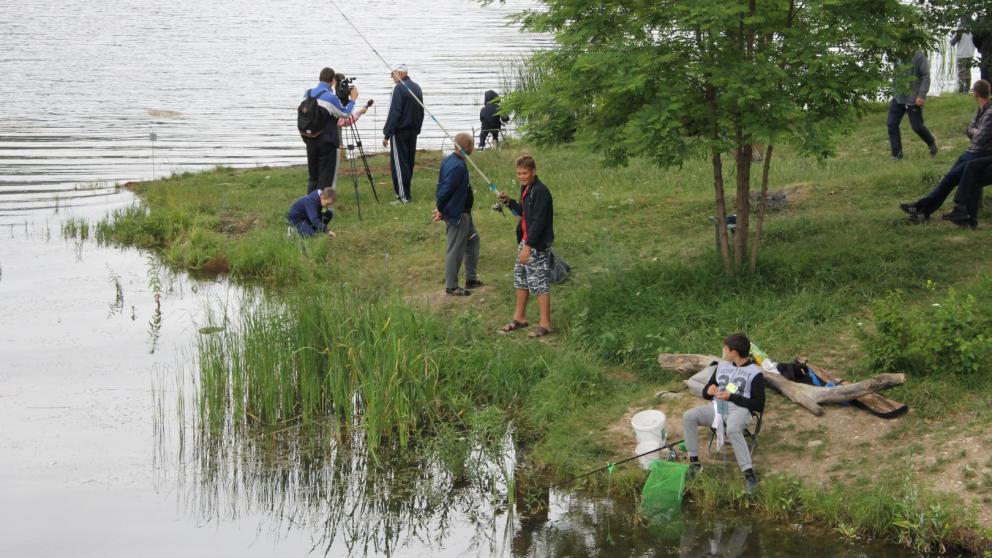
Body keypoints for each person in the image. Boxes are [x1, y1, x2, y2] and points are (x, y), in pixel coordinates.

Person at [682, 333, 765, 493]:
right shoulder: (722, 366)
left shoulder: (755, 373)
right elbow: (707, 391)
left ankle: (749, 475)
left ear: (734, 352)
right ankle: (694, 463)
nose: (723, 350)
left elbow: (759, 405)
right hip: (718, 408)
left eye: (726, 348)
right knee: (689, 416)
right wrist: (709, 390)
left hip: (740, 409)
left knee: (733, 428)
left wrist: (732, 396)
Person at [900, 80, 992, 223]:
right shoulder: (980, 110)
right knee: (948, 179)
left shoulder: (990, 113)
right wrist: (973, 131)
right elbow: (970, 129)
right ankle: (923, 210)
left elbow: (979, 137)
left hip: (979, 154)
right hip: (971, 152)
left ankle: (922, 208)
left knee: (950, 179)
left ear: (975, 93)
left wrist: (972, 131)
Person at [497, 155, 554, 338]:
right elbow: (524, 213)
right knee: (520, 277)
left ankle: (545, 324)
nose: (522, 176)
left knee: (539, 282)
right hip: (526, 241)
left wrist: (528, 246)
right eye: (519, 173)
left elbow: (538, 221)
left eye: (525, 173)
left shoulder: (540, 191)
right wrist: (509, 202)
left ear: (533, 172)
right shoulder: (526, 189)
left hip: (536, 244)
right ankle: (519, 318)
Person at [432, 132, 482, 296]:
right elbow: (444, 189)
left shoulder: (452, 160)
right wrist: (440, 209)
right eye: (472, 145)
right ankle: (451, 286)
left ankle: (471, 279)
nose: (473, 148)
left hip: (465, 212)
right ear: (466, 147)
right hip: (457, 214)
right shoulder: (457, 166)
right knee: (456, 248)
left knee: (473, 240)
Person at [303, 68, 358, 194]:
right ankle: (321, 208)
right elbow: (345, 114)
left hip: (310, 139)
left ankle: (309, 204)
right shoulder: (330, 97)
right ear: (333, 81)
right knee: (325, 178)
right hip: (326, 142)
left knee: (313, 177)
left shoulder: (308, 93)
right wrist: (352, 100)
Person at [382, 64, 424, 204]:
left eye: (392, 73)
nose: (391, 77)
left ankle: (403, 197)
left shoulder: (399, 88)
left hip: (400, 132)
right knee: (408, 163)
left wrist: (387, 134)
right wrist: (417, 129)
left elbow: (394, 113)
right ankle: (405, 193)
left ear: (399, 73)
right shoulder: (417, 87)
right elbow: (421, 111)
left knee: (399, 165)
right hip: (413, 131)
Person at [887, 48, 938, 160]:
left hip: (914, 98)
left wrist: (921, 95)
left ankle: (931, 142)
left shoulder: (919, 56)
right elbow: (895, 75)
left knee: (917, 127)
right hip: (899, 97)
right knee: (892, 124)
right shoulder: (897, 55)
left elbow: (926, 77)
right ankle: (897, 155)